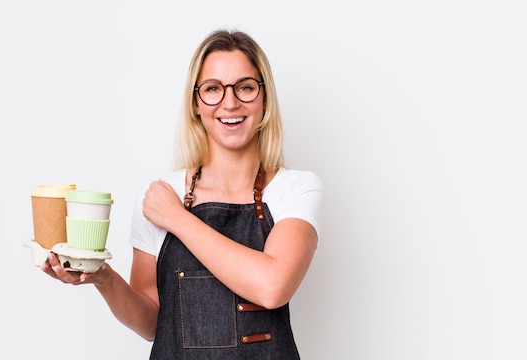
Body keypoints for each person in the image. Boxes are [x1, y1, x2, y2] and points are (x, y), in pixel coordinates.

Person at [42, 29, 324, 359]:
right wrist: (103, 276)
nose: (230, 102)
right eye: (213, 89)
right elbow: (153, 324)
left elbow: (272, 287)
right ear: (195, 103)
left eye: (245, 87)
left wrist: (177, 218)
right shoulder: (161, 194)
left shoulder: (295, 189)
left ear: (264, 99)